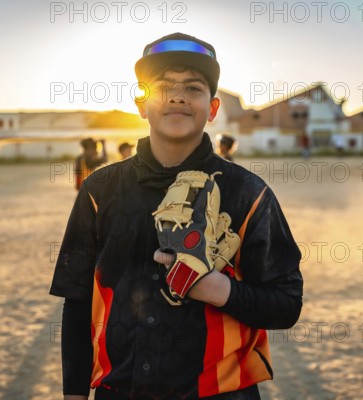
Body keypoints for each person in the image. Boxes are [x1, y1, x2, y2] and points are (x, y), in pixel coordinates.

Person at [50, 32, 303, 399]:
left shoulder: (249, 194)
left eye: (193, 88)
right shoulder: (99, 191)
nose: (178, 96)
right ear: (141, 104)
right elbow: (76, 303)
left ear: (213, 109)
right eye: (163, 87)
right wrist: (73, 395)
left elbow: (286, 305)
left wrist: (222, 290)